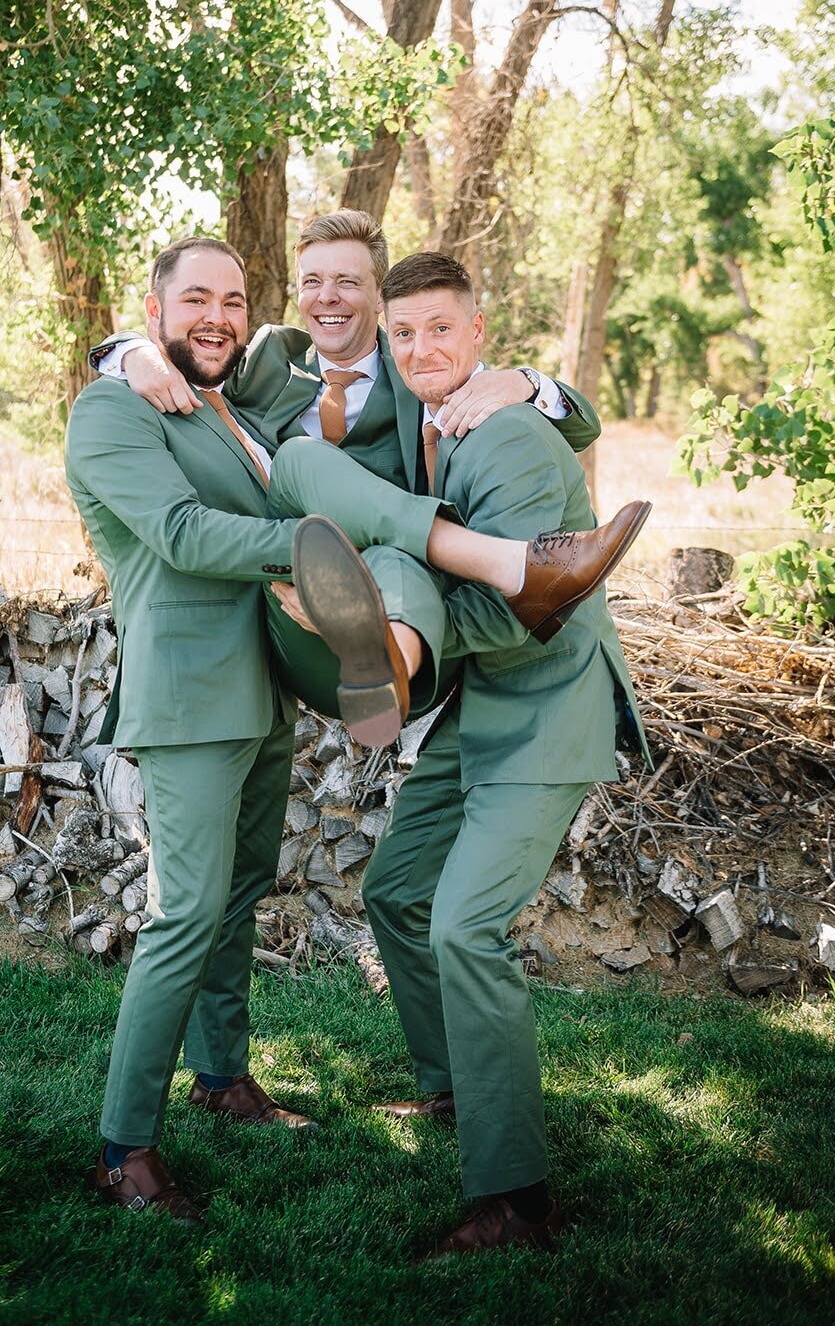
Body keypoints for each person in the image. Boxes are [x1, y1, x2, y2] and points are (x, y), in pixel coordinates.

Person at [66, 235, 640, 1223]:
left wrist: (526, 382)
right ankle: (125, 1148)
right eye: (196, 299)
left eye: (232, 300)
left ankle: (221, 1076)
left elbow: (564, 405)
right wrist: (123, 352)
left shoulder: (251, 397)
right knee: (188, 916)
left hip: (278, 687)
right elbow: (185, 531)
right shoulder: (145, 398)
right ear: (157, 309)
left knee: (236, 896)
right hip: (193, 694)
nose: (219, 316)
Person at [272, 251, 652, 1258]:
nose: (421, 348)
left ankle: (516, 1199)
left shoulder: (514, 431)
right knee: (396, 891)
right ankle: (455, 1093)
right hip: (475, 711)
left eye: (441, 327)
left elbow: (535, 610)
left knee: (464, 928)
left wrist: (411, 617)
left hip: (544, 712)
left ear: (481, 331)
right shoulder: (429, 428)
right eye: (405, 334)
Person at [91, 206, 614, 742]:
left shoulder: (419, 362)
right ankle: (506, 566)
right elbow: (197, 344)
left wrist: (526, 382)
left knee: (385, 551)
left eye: (348, 282)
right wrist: (130, 351)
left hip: (412, 618)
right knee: (299, 459)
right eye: (312, 282)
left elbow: (580, 429)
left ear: (380, 298)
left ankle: (389, 666)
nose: (328, 297)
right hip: (296, 615)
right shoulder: (268, 359)